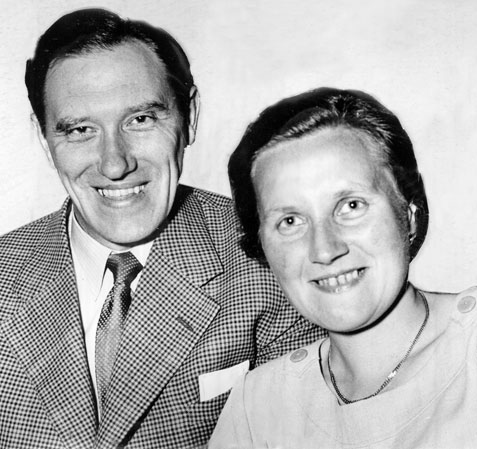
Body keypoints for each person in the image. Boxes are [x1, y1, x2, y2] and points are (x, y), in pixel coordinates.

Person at [0, 8, 324, 448]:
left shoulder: (268, 259)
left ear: (189, 117)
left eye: (141, 120)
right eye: (79, 130)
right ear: (44, 138)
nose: (115, 164)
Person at [209, 87, 477, 448]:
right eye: (290, 221)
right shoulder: (257, 404)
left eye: (351, 206)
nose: (325, 249)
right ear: (263, 248)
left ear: (409, 214)